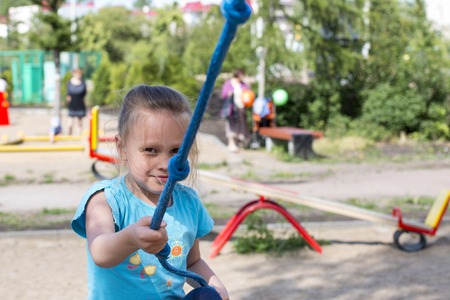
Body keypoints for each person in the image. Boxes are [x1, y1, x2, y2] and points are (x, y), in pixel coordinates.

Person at [71, 84, 228, 299]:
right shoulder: (105, 200)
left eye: (176, 151)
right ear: (122, 148)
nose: (165, 163)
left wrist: (216, 288)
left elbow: (192, 262)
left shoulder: (188, 202)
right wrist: (131, 238)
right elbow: (100, 252)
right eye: (150, 150)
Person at [220, 68, 250, 152]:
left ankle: (239, 144)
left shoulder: (243, 84)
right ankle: (231, 144)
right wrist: (230, 93)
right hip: (231, 109)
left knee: (241, 126)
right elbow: (223, 95)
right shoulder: (229, 83)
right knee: (231, 126)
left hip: (241, 109)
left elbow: (249, 94)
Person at [66, 68, 87, 135]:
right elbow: (68, 94)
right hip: (72, 105)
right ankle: (69, 135)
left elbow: (84, 94)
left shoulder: (83, 83)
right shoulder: (69, 83)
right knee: (70, 124)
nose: (79, 75)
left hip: (80, 104)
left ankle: (79, 136)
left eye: (80, 73)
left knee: (79, 123)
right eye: (77, 73)